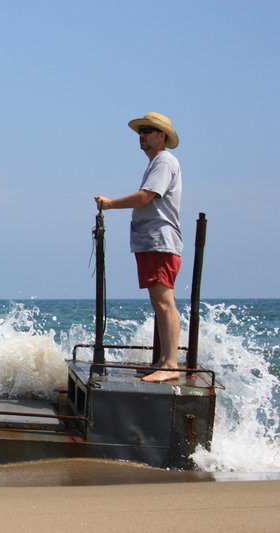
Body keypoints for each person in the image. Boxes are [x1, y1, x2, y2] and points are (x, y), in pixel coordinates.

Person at [94, 112, 183, 382]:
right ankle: (163, 361)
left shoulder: (164, 162)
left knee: (164, 302)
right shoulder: (157, 162)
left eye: (147, 130)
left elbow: (145, 197)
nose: (141, 135)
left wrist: (110, 204)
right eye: (140, 131)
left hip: (159, 240)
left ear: (162, 136)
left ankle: (170, 365)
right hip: (151, 241)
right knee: (160, 301)